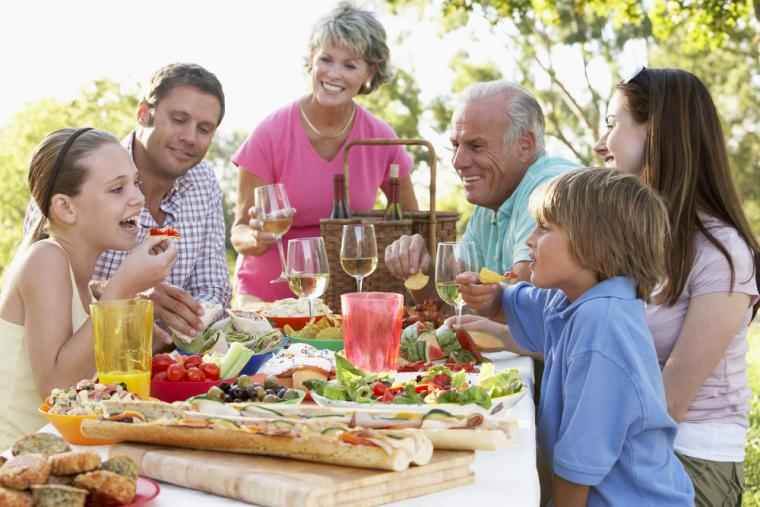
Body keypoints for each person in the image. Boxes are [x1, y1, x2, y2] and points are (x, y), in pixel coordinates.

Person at [459, 167, 695, 505]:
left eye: (545, 228)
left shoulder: (603, 324)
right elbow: (510, 305)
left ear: (594, 244)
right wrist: (490, 297)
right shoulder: (572, 298)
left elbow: (578, 464)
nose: (529, 240)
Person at [593, 66, 760, 506]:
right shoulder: (640, 238)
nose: (598, 144)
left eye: (611, 125)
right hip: (632, 447)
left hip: (689, 462)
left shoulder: (723, 253)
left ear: (659, 131)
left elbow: (668, 406)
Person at [25, 63, 231, 341]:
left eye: (204, 128)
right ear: (144, 113)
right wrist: (136, 304)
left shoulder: (204, 180)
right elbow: (39, 288)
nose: (190, 137)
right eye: (178, 120)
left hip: (165, 362)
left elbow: (214, 290)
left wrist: (188, 324)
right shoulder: (80, 171)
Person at [230, 2, 419, 304]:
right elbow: (238, 231)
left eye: (349, 65)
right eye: (326, 59)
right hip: (267, 301)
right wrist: (256, 237)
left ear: (370, 71)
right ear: (312, 59)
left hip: (344, 299)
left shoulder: (381, 139)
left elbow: (414, 223)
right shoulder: (270, 133)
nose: (333, 74)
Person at [0, 128, 177, 447]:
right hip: (15, 459)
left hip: (64, 447)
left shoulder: (82, 278)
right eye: (117, 189)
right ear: (66, 208)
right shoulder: (45, 259)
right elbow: (57, 391)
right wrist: (122, 287)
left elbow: (95, 381)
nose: (138, 198)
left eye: (135, 183)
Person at [384, 80, 577, 304]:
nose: (458, 162)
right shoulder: (491, 200)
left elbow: (524, 309)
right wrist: (418, 270)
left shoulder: (552, 188)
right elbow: (453, 307)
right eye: (455, 145)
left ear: (524, 144)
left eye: (476, 146)